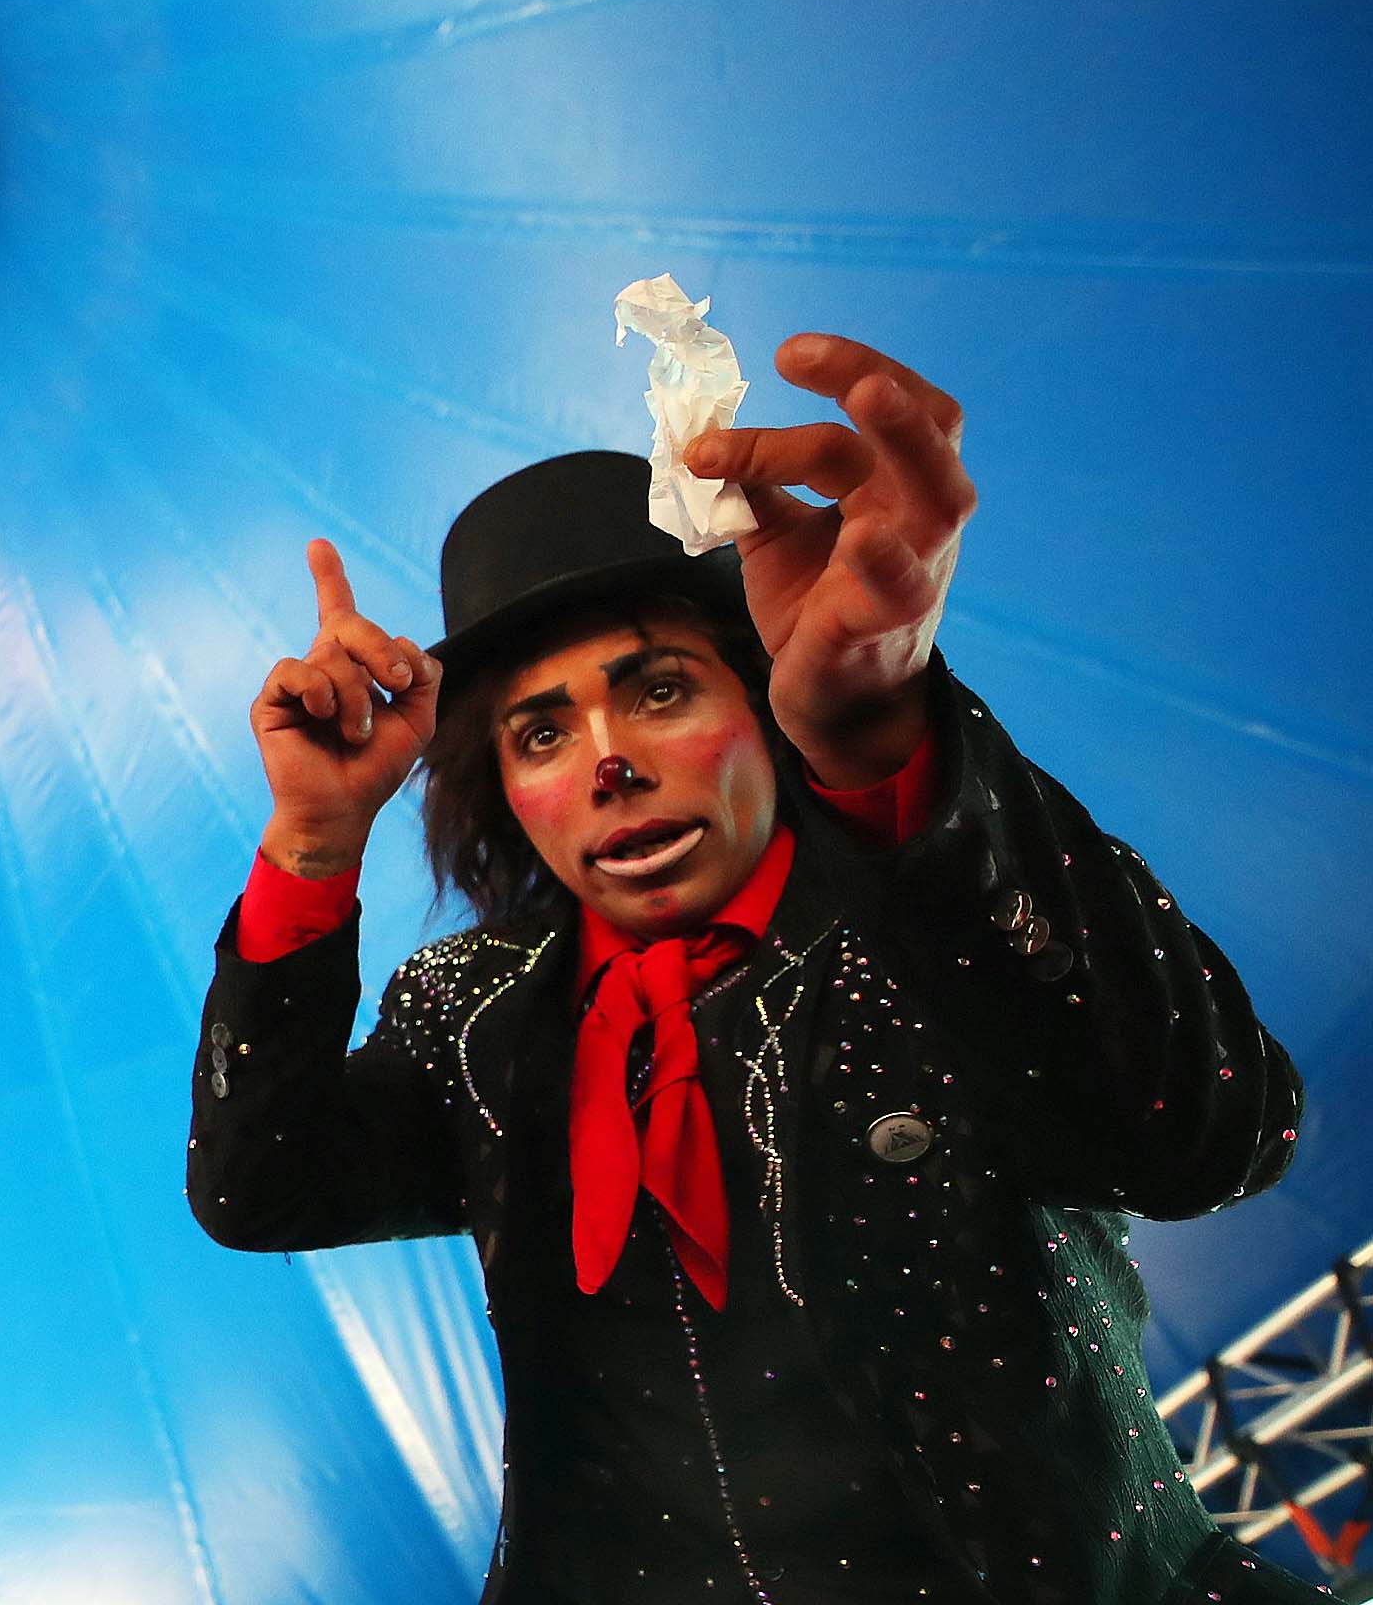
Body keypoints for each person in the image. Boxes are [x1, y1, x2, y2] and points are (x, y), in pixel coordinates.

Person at [185, 333, 1323, 1603]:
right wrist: (311, 844)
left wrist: (883, 731)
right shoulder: (468, 1009)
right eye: (540, 733)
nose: (606, 760)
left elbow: (1209, 1136)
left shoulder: (934, 905)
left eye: (659, 690)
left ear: (760, 701)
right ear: (502, 790)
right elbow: (255, 1190)